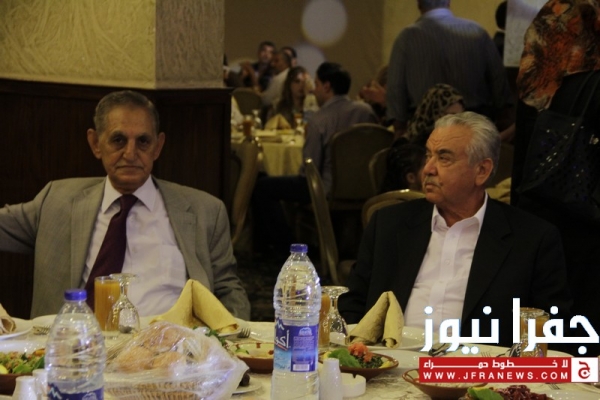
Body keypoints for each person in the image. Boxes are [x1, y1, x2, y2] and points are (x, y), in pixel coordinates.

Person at [0, 90, 251, 320]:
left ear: (157, 147)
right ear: (96, 143)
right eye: (118, 140)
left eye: (143, 141)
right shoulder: (57, 201)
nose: (130, 154)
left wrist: (227, 340)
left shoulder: (205, 211)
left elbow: (229, 290)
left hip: (169, 348)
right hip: (75, 346)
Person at [339, 112, 573, 348]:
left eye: (444, 158)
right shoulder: (389, 224)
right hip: (392, 359)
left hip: (477, 365)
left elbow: (552, 329)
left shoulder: (532, 239)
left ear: (481, 171)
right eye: (428, 155)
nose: (428, 169)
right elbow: (353, 305)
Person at [512, 0, 600, 355]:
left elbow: (525, 153)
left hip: (546, 202)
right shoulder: (589, 82)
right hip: (584, 211)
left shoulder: (540, 83)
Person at [252, 62, 377, 255]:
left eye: (316, 84)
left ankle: (287, 249)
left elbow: (309, 168)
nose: (313, 90)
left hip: (326, 190)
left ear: (327, 86)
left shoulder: (320, 119)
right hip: (366, 188)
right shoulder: (367, 112)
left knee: (262, 187)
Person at [386, 0, 512, 138]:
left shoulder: (406, 38)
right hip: (475, 129)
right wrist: (503, 116)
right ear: (448, 2)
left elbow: (395, 88)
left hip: (426, 133)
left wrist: (399, 127)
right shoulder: (477, 32)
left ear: (419, 4)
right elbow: (499, 81)